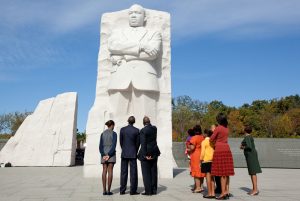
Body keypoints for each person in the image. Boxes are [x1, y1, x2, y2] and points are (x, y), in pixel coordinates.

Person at [107, 4, 162, 122]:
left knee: (147, 118)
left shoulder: (154, 33)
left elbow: (153, 54)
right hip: (120, 76)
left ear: (145, 18)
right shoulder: (117, 32)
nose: (133, 16)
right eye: (131, 13)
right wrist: (141, 46)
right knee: (116, 118)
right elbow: (112, 46)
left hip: (145, 77)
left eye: (137, 13)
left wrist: (124, 55)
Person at [210, 113, 234, 200]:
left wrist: (214, 134)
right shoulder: (226, 128)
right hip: (227, 149)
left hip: (219, 150)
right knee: (226, 173)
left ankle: (223, 193)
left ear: (219, 120)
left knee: (221, 173)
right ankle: (227, 191)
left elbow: (211, 139)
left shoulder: (218, 128)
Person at [138, 116, 160, 196]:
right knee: (153, 172)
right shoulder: (154, 128)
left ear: (143, 123)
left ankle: (148, 191)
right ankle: (154, 190)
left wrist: (145, 155)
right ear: (149, 122)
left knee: (146, 173)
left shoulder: (143, 131)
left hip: (147, 152)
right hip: (154, 152)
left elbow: (143, 144)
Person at [119, 116, 140, 195]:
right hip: (133, 153)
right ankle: (133, 191)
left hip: (124, 153)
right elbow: (138, 143)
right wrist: (135, 150)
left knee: (123, 172)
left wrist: (124, 148)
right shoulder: (136, 130)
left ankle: (122, 190)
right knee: (133, 173)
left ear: (128, 121)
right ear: (134, 122)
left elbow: (121, 142)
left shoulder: (122, 130)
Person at [240, 125, 262, 196]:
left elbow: (249, 146)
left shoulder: (247, 137)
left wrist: (242, 147)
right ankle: (254, 189)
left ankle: (255, 190)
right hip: (252, 155)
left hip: (251, 156)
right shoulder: (249, 136)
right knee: (252, 172)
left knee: (252, 172)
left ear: (245, 130)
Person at [99, 120, 117, 196]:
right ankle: (109, 191)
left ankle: (104, 190)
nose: (114, 127)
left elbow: (100, 146)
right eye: (114, 125)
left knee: (104, 170)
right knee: (110, 171)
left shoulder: (102, 134)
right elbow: (114, 145)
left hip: (103, 153)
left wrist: (103, 155)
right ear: (112, 125)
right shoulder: (114, 134)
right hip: (111, 154)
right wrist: (109, 155)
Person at [187, 125, 205, 193]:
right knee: (201, 172)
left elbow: (192, 148)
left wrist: (188, 146)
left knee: (196, 172)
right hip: (202, 155)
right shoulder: (202, 137)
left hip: (195, 156)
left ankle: (198, 187)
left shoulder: (194, 138)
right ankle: (201, 186)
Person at [200, 129, 215, 199]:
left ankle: (209, 193)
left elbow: (202, 152)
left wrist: (200, 159)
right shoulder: (212, 141)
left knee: (208, 178)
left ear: (206, 134)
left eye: (204, 133)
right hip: (213, 160)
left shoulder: (204, 142)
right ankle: (213, 193)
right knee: (212, 178)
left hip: (206, 160)